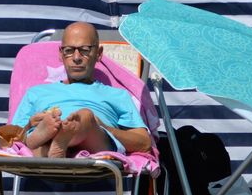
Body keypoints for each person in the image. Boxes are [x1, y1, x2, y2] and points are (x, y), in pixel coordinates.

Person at [11, 22, 151, 158]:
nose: (76, 58)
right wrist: (30, 124)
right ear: (61, 54)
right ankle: (50, 140)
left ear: (98, 53)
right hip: (48, 145)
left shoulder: (118, 95)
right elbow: (5, 140)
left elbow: (144, 143)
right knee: (49, 123)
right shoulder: (36, 93)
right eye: (69, 51)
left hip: (95, 142)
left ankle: (59, 136)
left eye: (84, 50)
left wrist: (103, 127)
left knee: (85, 116)